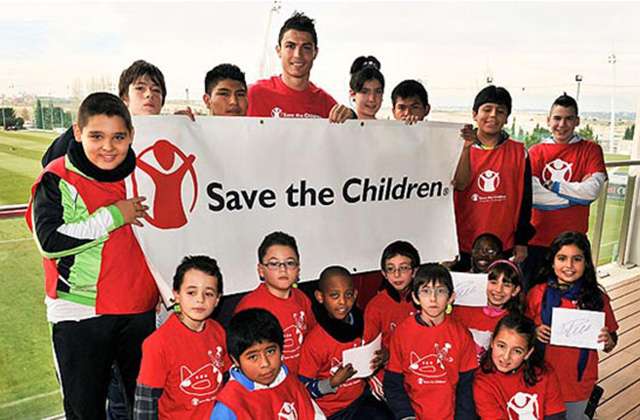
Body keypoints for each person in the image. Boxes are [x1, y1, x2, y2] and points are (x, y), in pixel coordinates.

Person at [26, 92, 158, 419]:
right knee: (85, 411)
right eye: (96, 136)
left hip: (138, 309)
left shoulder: (143, 170)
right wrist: (114, 215)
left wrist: (183, 127)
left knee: (145, 410)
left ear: (131, 135)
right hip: (80, 312)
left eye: (118, 137)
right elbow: (49, 240)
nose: (108, 147)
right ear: (77, 132)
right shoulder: (57, 176)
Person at [526, 232, 618, 419]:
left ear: (586, 263)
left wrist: (608, 341)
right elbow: (521, 331)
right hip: (539, 378)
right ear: (552, 262)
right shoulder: (537, 294)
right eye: (562, 258)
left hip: (577, 383)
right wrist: (534, 331)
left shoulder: (597, 299)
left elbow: (612, 340)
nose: (569, 265)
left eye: (577, 259)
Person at [523, 94, 607, 289]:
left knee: (575, 299)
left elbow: (592, 191)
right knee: (530, 299)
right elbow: (532, 195)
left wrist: (554, 186)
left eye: (569, 118)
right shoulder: (535, 152)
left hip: (574, 243)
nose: (562, 124)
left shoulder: (591, 150)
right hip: (536, 241)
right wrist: (576, 197)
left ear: (577, 121)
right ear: (548, 120)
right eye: (557, 118)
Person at [134, 255, 230, 419]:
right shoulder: (158, 343)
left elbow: (227, 380)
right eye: (191, 292)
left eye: (208, 293)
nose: (200, 299)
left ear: (217, 300)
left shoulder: (218, 331)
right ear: (176, 295)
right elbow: (146, 402)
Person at [453, 85, 534, 268]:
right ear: (475, 114)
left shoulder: (519, 152)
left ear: (507, 118)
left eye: (500, 111)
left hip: (503, 243)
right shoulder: (458, 148)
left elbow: (525, 199)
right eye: (487, 109)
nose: (493, 115)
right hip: (463, 242)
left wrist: (521, 240)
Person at [384, 263, 477, 420]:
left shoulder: (461, 334)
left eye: (440, 291)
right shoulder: (402, 332)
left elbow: (467, 387)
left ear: (451, 297)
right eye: (426, 291)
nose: (433, 299)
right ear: (415, 297)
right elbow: (393, 383)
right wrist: (406, 415)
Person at [299, 266, 391, 419]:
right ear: (320, 297)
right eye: (334, 295)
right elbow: (303, 389)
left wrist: (385, 357)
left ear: (355, 295)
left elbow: (379, 352)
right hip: (332, 411)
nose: (342, 302)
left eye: (348, 295)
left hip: (361, 399)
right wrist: (331, 383)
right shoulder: (315, 342)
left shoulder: (366, 325)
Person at [41, 60, 167, 167]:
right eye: (140, 88)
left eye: (156, 90)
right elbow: (49, 161)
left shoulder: (171, 133)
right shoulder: (100, 126)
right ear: (125, 98)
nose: (149, 94)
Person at [211, 308, 326, 419]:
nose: (265, 363)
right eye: (253, 357)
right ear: (235, 360)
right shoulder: (229, 406)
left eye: (270, 351)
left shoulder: (288, 380)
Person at [233, 231, 316, 374]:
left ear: (298, 269)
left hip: (300, 379)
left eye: (290, 263)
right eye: (274, 264)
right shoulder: (250, 306)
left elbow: (311, 338)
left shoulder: (301, 298)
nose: (283, 269)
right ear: (261, 270)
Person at [247, 12, 352, 123]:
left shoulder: (326, 105)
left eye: (306, 47)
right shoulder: (253, 95)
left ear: (315, 53)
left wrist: (350, 118)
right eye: (290, 46)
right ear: (278, 51)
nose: (298, 55)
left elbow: (351, 129)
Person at [473, 313, 566, 419]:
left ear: (528, 353)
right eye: (501, 346)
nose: (506, 357)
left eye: (517, 351)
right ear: (492, 343)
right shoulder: (482, 382)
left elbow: (555, 416)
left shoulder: (544, 373)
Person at [452, 259, 524, 359]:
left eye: (506, 285)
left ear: (515, 290)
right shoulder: (461, 309)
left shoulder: (514, 322)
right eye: (493, 282)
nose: (498, 289)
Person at [349, 56, 384, 120]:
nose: (372, 99)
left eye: (378, 92)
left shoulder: (391, 125)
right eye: (364, 92)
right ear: (352, 93)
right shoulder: (342, 125)